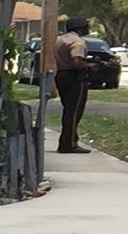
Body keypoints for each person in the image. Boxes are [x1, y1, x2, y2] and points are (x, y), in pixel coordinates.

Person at [56, 16, 92, 153]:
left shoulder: (60, 39)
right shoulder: (78, 43)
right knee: (74, 111)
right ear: (80, 28)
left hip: (61, 75)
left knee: (68, 109)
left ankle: (70, 140)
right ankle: (68, 144)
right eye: (86, 26)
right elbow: (76, 62)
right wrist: (89, 65)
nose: (88, 29)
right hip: (74, 77)